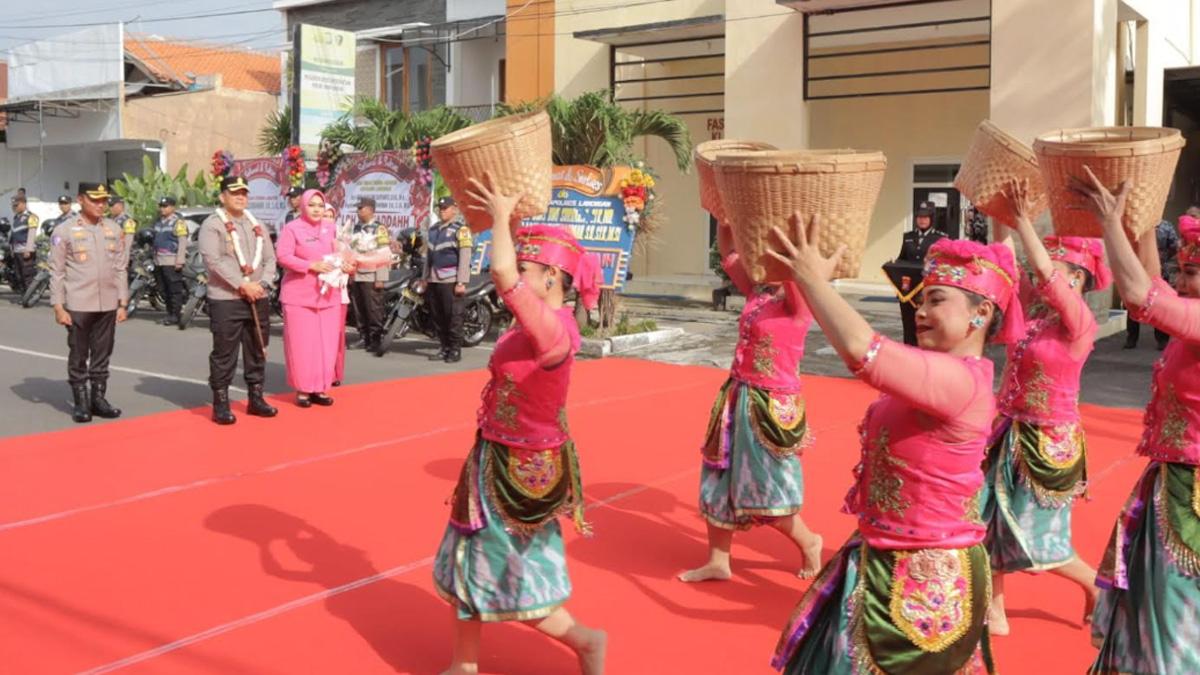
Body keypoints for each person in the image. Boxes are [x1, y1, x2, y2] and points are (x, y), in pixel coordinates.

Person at [768, 214, 1022, 675]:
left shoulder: (960, 382)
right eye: (921, 300)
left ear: (980, 314)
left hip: (922, 573)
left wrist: (811, 279)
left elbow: (862, 351)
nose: (920, 311)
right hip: (880, 553)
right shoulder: (935, 370)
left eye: (936, 300)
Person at [432, 172, 606, 675]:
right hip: (492, 454)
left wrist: (501, 215)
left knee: (511, 577)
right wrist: (510, 222)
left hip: (522, 467)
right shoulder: (531, 322)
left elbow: (503, 273)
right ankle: (464, 663)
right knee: (469, 558)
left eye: (529, 269)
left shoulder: (555, 332)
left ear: (551, 277)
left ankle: (585, 640)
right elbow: (511, 275)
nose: (516, 276)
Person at [1076, 168, 1200, 674]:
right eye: (1182, 270)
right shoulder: (1190, 318)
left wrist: (1110, 223)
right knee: (1153, 610)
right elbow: (1154, 286)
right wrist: (1143, 221)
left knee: (1174, 618)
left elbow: (1141, 298)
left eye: (1192, 273)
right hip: (1171, 484)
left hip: (1192, 494)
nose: (1181, 282)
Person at [982, 178, 1106, 636]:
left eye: (1056, 268)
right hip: (1007, 430)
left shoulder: (1080, 322)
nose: (1043, 276)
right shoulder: (1034, 314)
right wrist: (1001, 218)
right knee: (985, 520)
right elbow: (1006, 263)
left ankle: (1093, 584)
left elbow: (1042, 272)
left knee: (1039, 542)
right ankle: (994, 609)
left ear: (1077, 278)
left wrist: (1023, 222)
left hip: (1048, 440)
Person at [678, 223, 823, 583]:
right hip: (737, 395)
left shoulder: (799, 299)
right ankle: (718, 561)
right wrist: (725, 220)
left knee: (767, 486)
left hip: (771, 403)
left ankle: (809, 541)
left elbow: (795, 270)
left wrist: (788, 247)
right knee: (718, 476)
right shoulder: (760, 290)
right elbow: (728, 254)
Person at [198, 175, 279, 425]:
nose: (240, 197)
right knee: (225, 352)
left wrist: (262, 284)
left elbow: (270, 259)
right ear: (222, 197)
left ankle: (256, 398)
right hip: (227, 298)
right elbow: (213, 261)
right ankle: (221, 403)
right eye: (235, 193)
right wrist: (242, 285)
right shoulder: (213, 225)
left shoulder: (257, 224)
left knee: (257, 349)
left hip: (258, 295)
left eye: (244, 193)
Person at [48, 183, 128, 423]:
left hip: (108, 303)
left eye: (104, 200)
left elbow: (121, 267)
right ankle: (81, 401)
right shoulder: (64, 230)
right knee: (79, 353)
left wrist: (123, 302)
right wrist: (58, 306)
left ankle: (98, 399)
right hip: (79, 303)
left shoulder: (114, 228)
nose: (101, 205)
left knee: (103, 353)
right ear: (80, 200)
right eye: (95, 200)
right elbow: (57, 271)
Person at [276, 189, 354, 407]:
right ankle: (303, 389)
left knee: (326, 345)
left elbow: (344, 254)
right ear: (303, 206)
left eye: (320, 205)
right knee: (302, 345)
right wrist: (310, 265)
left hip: (329, 296)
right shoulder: (292, 228)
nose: (317, 209)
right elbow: (283, 256)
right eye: (312, 205)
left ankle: (320, 387)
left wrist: (348, 265)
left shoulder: (333, 229)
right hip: (299, 297)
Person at [424, 196, 473, 363]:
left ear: (454, 210)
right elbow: (429, 257)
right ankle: (444, 347)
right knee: (438, 317)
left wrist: (461, 282)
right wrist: (424, 278)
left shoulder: (461, 230)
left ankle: (454, 349)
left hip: (450, 280)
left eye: (445, 208)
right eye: (440, 208)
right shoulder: (433, 230)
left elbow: (465, 257)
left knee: (453, 317)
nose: (442, 211)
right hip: (434, 279)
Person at [343, 197, 392, 351]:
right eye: (358, 208)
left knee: (373, 309)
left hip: (372, 274)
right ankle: (364, 337)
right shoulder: (357, 227)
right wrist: (350, 273)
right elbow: (351, 251)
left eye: (361, 208)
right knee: (359, 308)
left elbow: (384, 254)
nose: (358, 211)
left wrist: (381, 277)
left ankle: (375, 339)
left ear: (370, 209)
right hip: (357, 273)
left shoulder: (379, 228)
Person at [1124, 217, 1180, 350]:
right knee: (1132, 303)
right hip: (1136, 269)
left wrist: (1163, 258)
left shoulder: (1166, 226)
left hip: (1160, 270)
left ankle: (1162, 339)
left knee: (1161, 304)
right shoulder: (1135, 223)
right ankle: (1131, 338)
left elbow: (1173, 246)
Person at [895, 201, 946, 345]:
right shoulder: (908, 237)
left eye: (925, 217)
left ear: (931, 219)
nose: (922, 220)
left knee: (926, 322)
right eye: (919, 217)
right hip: (908, 290)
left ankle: (926, 348)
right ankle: (909, 348)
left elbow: (942, 264)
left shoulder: (940, 239)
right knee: (908, 322)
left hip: (926, 289)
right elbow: (902, 259)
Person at [150, 196, 189, 325]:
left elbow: (182, 242)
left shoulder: (178, 223)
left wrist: (180, 260)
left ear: (173, 207)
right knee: (163, 289)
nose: (162, 209)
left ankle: (175, 315)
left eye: (165, 206)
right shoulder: (158, 222)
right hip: (159, 261)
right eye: (161, 206)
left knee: (174, 290)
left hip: (171, 261)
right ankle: (169, 314)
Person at [9, 194, 39, 293]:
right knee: (19, 275)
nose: (14, 208)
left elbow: (31, 234)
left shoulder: (31, 217)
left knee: (27, 275)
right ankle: (24, 296)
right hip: (17, 251)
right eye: (13, 206)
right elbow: (13, 235)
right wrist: (12, 249)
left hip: (26, 251)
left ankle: (30, 296)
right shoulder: (16, 218)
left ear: (24, 204)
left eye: (16, 205)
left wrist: (28, 249)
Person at [108, 196, 138, 264]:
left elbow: (128, 244)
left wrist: (124, 261)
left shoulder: (128, 221)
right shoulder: (110, 219)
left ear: (120, 205)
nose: (110, 208)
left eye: (112, 206)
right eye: (109, 206)